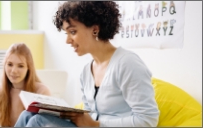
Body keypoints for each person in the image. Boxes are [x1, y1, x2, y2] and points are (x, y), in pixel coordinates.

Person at [14, 1, 159, 127]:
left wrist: (97, 125)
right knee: (27, 115)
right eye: (67, 33)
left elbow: (148, 120)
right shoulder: (86, 72)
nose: (68, 40)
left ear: (95, 30)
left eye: (73, 31)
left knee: (38, 122)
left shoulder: (127, 63)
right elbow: (91, 115)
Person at [0, 43, 51, 126]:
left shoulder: (41, 91)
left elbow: (43, 123)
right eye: (10, 64)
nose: (14, 71)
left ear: (28, 68)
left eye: (20, 66)